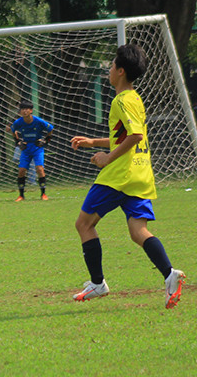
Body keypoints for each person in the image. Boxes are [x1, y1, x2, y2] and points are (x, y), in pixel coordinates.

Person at [69, 43, 185, 308]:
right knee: (138, 231)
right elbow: (124, 138)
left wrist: (107, 158)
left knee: (84, 224)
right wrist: (93, 142)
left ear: (120, 71)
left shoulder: (121, 100)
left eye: (111, 65)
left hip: (119, 175)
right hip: (140, 173)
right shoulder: (135, 98)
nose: (109, 70)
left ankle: (98, 283)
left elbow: (135, 136)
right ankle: (170, 275)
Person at [11, 101, 53, 201]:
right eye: (22, 109)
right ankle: (21, 195)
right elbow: (13, 130)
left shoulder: (38, 121)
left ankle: (43, 194)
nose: (25, 111)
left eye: (27, 109)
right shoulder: (18, 122)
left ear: (31, 110)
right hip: (25, 149)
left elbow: (50, 128)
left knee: (39, 169)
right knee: (21, 171)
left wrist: (46, 140)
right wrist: (17, 141)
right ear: (20, 111)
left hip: (37, 148)